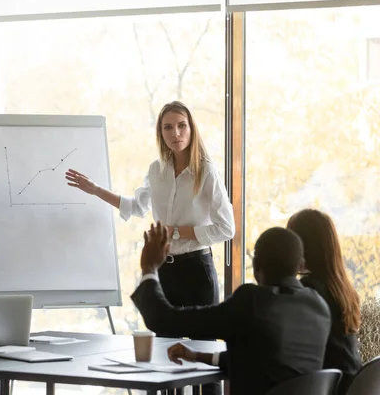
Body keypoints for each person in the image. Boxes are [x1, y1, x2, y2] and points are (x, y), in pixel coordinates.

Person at [66, 101, 234, 394]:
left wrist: (178, 232)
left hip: (197, 271)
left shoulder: (206, 172)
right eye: (168, 127)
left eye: (181, 125)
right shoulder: (156, 170)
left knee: (205, 361)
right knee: (165, 357)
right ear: (160, 133)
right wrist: (95, 189)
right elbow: (135, 206)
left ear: (191, 129)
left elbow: (226, 228)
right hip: (164, 272)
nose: (175, 133)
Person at [134, 222, 331, 395]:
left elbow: (163, 320)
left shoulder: (252, 302)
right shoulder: (319, 306)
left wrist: (149, 268)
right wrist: (198, 356)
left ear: (255, 266)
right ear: (300, 266)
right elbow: (269, 365)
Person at [287, 208, 362, 395]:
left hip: (326, 388)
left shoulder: (309, 291)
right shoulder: (342, 288)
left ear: (303, 247)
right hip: (350, 386)